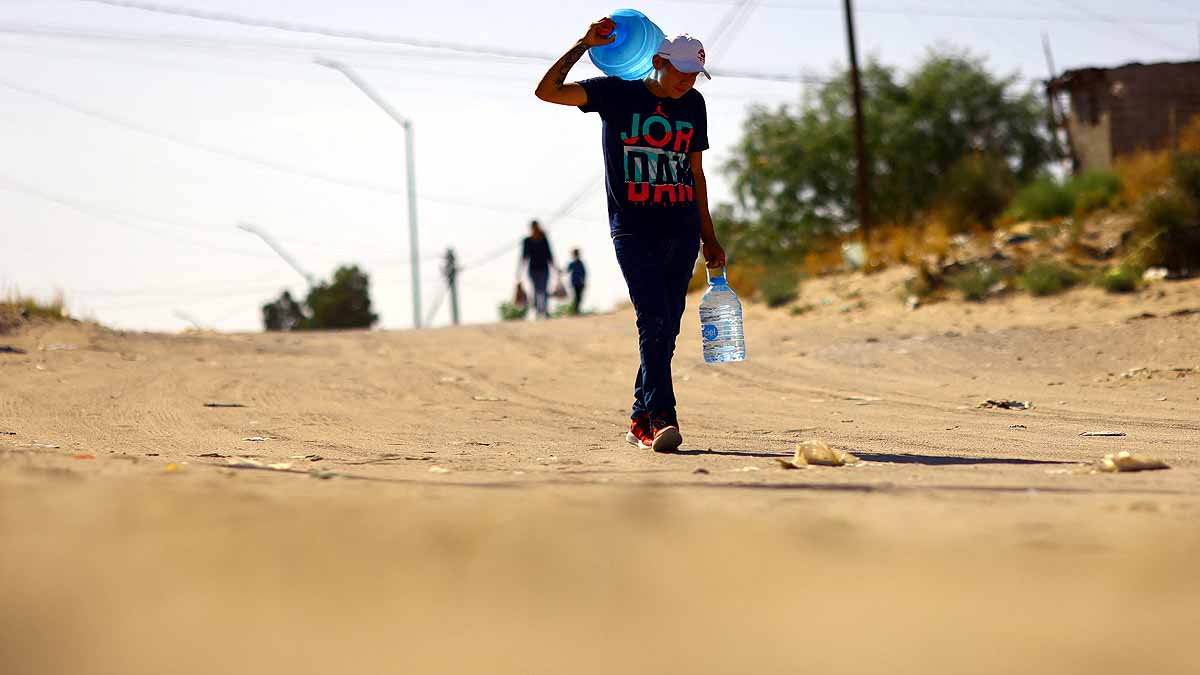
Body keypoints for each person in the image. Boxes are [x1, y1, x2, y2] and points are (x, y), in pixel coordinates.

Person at [535, 21, 726, 453]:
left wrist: (708, 236)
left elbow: (695, 172)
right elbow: (547, 91)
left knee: (668, 325)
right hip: (633, 228)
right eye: (680, 72)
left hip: (680, 227)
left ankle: (641, 418)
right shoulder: (616, 93)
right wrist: (582, 44)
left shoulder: (693, 104)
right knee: (653, 319)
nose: (686, 81)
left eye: (694, 75)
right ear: (657, 61)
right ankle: (662, 418)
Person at [519, 220, 556, 319]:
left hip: (544, 268)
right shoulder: (527, 240)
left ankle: (545, 310)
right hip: (533, 269)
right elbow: (524, 256)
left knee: (543, 290)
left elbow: (549, 254)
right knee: (535, 290)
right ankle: (538, 310)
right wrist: (520, 271)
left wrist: (554, 267)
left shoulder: (544, 239)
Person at [565, 248, 587, 315]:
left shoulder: (580, 263)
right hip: (574, 283)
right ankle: (576, 310)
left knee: (579, 297)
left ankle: (577, 310)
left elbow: (584, 273)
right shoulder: (573, 263)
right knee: (576, 297)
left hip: (580, 283)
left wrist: (584, 281)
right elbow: (567, 270)